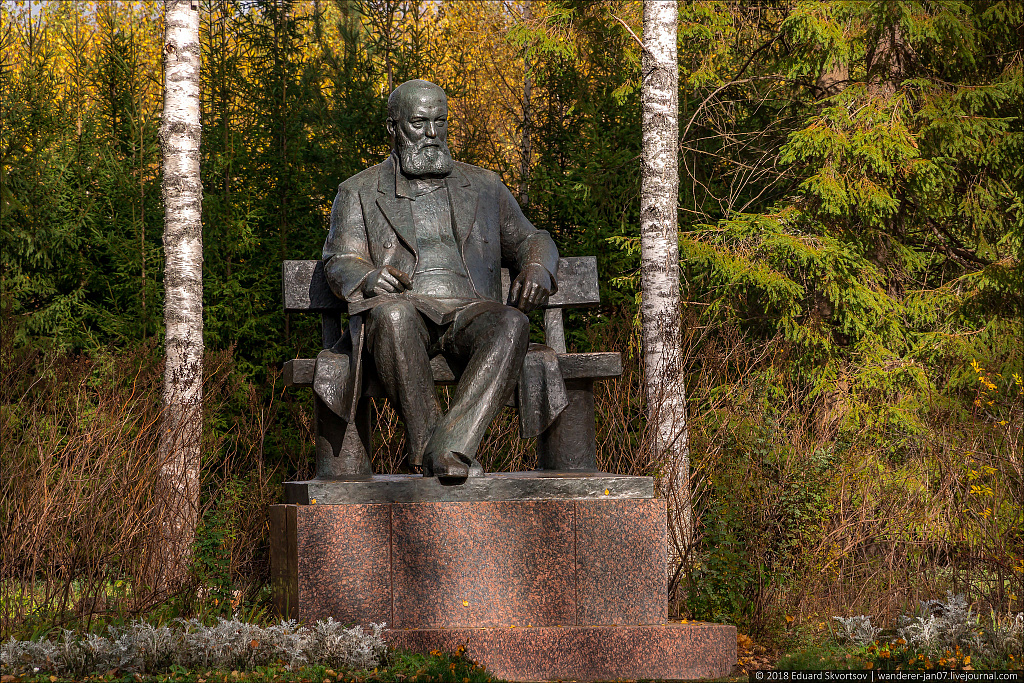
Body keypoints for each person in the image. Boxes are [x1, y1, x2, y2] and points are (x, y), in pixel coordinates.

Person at [319, 79, 563, 480]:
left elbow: (533, 239)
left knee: (512, 322)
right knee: (394, 317)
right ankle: (439, 452)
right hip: (404, 311)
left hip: (469, 311)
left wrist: (536, 268)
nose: (431, 134)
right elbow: (339, 258)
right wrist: (367, 277)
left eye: (440, 122)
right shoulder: (358, 191)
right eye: (418, 123)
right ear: (393, 128)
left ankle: (446, 448)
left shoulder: (485, 185)